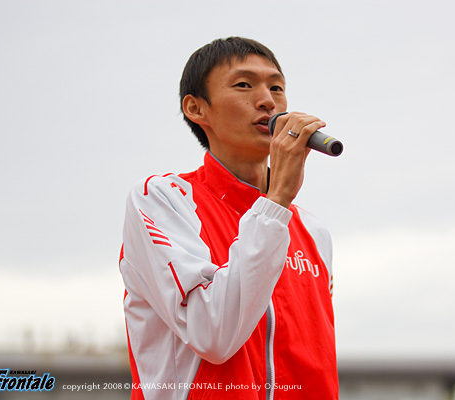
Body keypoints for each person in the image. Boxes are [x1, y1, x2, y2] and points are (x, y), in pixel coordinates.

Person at [119, 37, 338, 400]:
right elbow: (213, 334)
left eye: (276, 87)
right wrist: (277, 200)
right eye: (244, 84)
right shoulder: (162, 200)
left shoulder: (314, 232)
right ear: (196, 108)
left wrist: (276, 207)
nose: (268, 99)